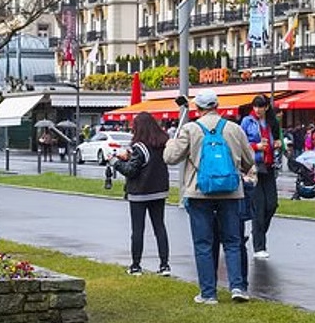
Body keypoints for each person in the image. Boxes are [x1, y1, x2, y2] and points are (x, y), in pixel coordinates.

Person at [164, 90, 255, 304]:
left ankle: (208, 293)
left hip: (199, 192)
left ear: (198, 109)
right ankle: (237, 287)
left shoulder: (190, 129)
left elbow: (170, 158)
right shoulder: (234, 128)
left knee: (203, 243)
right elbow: (249, 160)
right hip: (231, 192)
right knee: (233, 241)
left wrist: (171, 143)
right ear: (217, 106)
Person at [109, 111, 171, 277]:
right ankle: (165, 265)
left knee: (138, 230)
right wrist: (130, 157)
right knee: (160, 227)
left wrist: (115, 162)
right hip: (159, 191)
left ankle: (136, 266)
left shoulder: (139, 146)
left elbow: (131, 171)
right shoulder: (162, 143)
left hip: (140, 192)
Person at [240, 95, 278, 260]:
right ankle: (259, 245)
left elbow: (278, 139)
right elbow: (241, 143)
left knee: (272, 204)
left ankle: (258, 233)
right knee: (259, 207)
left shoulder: (271, 123)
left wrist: (278, 144)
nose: (257, 110)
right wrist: (256, 146)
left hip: (269, 166)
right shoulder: (247, 122)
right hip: (254, 166)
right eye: (255, 107)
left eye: (260, 107)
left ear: (266, 108)